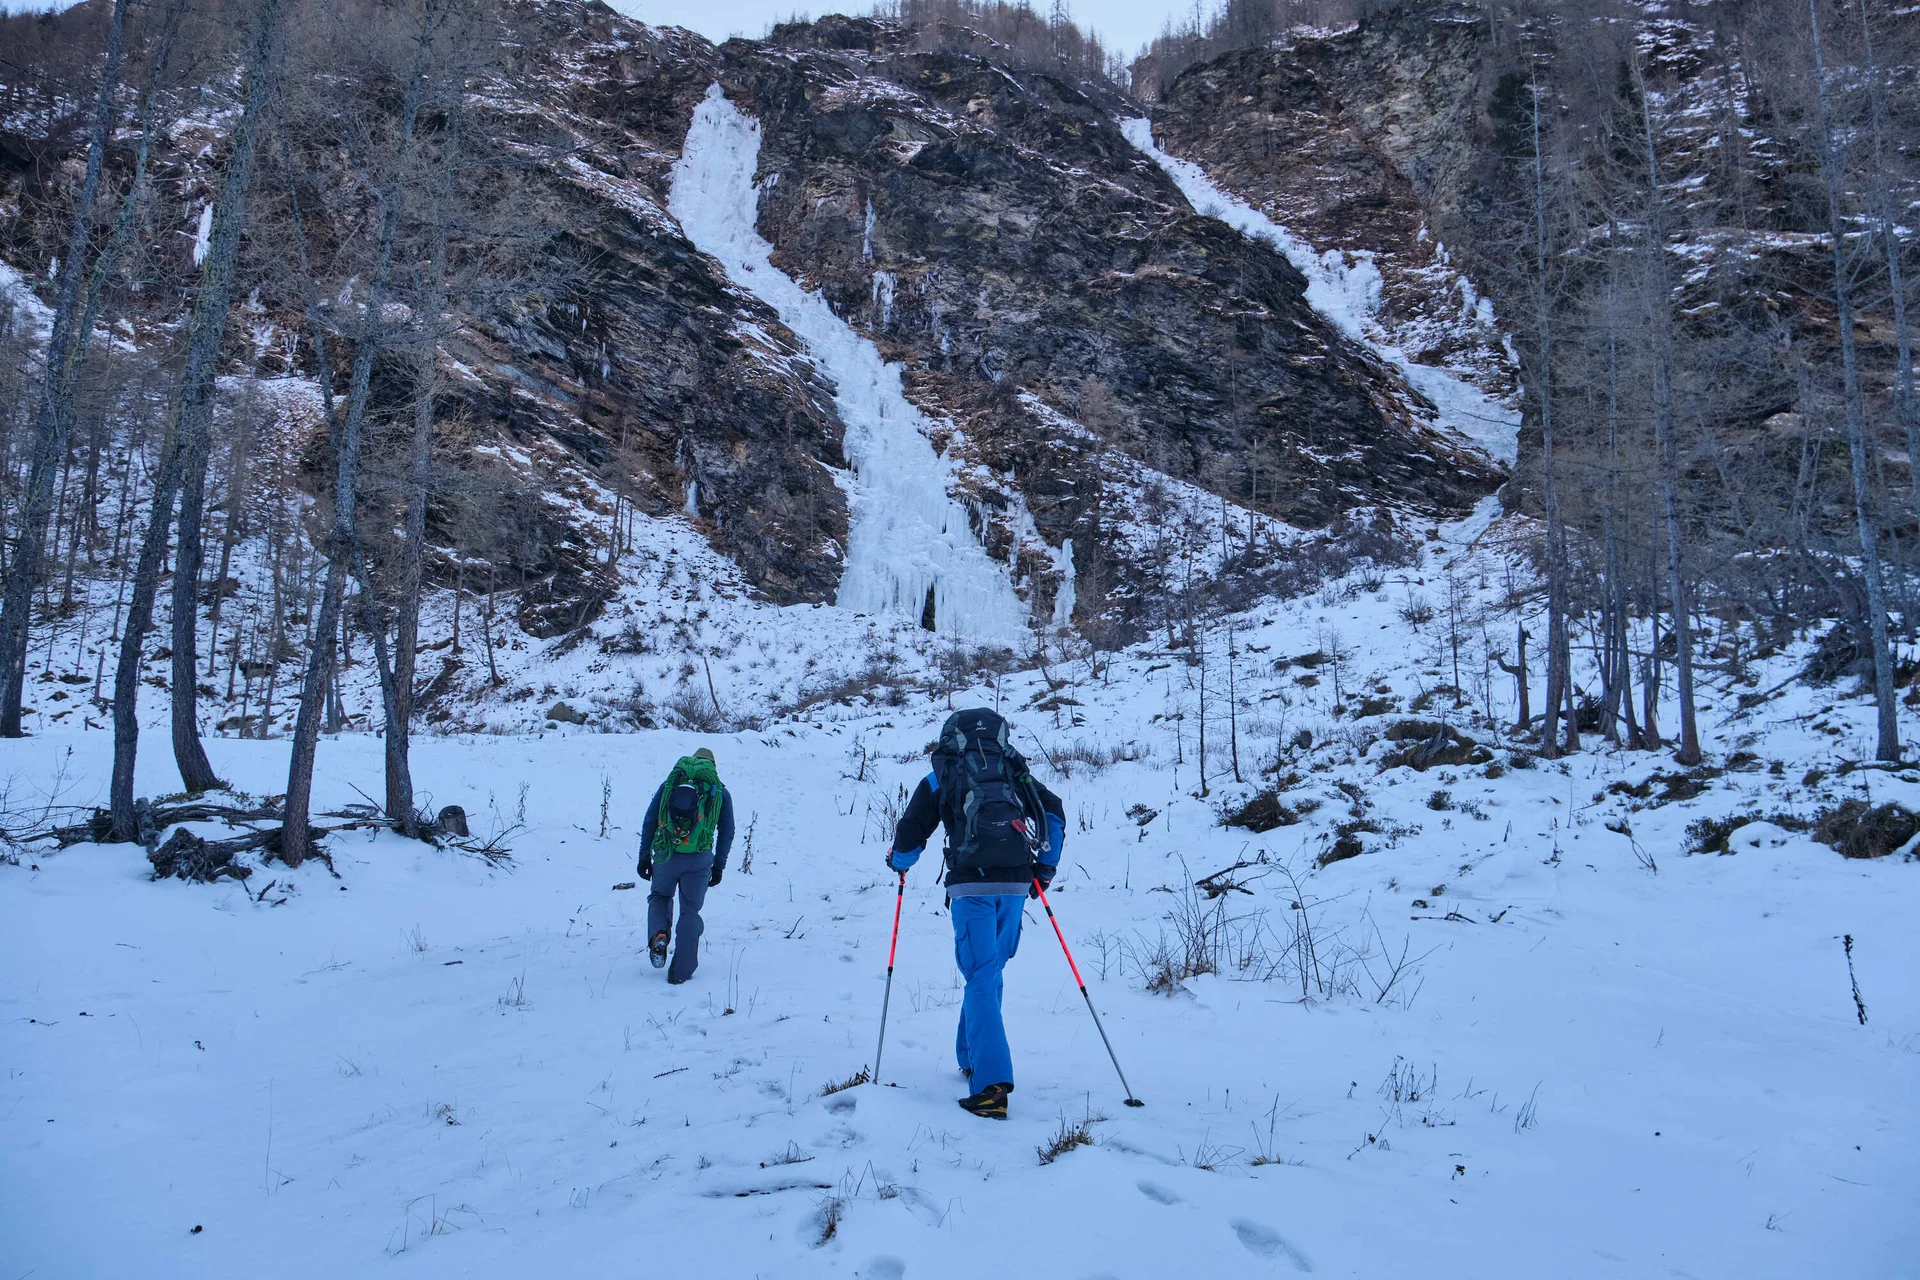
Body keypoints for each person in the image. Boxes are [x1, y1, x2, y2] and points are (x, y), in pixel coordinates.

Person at [886, 708, 1065, 1119]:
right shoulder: (1013, 771)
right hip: (1017, 884)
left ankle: (990, 1086)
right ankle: (970, 1055)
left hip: (972, 886)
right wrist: (1046, 867)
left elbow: (912, 829)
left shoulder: (943, 774)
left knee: (981, 974)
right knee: (989, 972)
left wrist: (899, 862)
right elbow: (1053, 811)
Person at [638, 746, 735, 985]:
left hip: (666, 854)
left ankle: (659, 935)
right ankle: (680, 972)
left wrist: (643, 856)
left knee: (660, 896)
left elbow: (651, 819)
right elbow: (727, 831)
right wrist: (719, 865)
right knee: (690, 911)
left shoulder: (670, 785)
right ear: (712, 766)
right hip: (699, 859)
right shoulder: (719, 792)